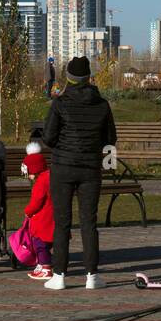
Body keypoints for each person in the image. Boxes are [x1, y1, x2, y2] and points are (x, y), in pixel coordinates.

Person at [40, 56, 116, 290]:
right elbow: (110, 139)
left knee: (62, 222)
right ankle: (92, 275)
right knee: (88, 222)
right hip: (91, 169)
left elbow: (49, 138)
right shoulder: (102, 105)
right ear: (88, 77)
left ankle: (59, 275)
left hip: (63, 168)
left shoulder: (60, 104)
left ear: (69, 78)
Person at [21, 150, 55, 280]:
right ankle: (43, 264)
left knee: (40, 244)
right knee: (50, 243)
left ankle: (45, 267)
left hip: (43, 219)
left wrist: (28, 211)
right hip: (53, 216)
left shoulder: (41, 182)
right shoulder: (50, 176)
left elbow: (36, 202)